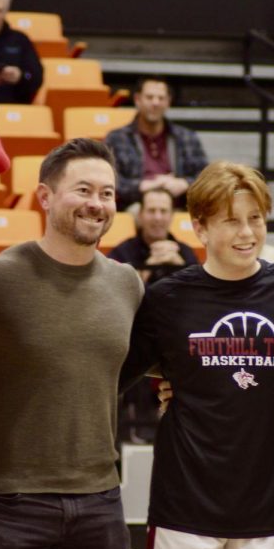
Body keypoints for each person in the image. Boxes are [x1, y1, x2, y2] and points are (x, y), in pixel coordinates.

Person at [0, 137, 144, 549]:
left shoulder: (127, 284)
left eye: (107, 193)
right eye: (83, 190)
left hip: (101, 499)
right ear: (45, 196)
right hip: (11, 502)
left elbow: (132, 365)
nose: (97, 204)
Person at [120, 161, 274, 549]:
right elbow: (114, 374)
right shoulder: (167, 299)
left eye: (255, 219)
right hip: (184, 507)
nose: (247, 233)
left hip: (267, 510)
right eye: (232, 221)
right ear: (200, 228)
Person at [109, 187, 198, 443]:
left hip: (178, 338)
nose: (157, 217)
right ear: (140, 215)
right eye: (152, 211)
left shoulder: (185, 253)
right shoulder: (122, 252)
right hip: (133, 335)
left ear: (172, 215)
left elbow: (200, 302)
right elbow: (110, 300)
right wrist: (146, 273)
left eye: (163, 211)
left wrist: (179, 268)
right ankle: (136, 429)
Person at [104, 76, 208, 213]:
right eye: (149, 97)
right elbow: (110, 180)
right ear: (137, 100)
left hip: (178, 207)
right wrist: (144, 186)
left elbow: (206, 176)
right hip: (136, 207)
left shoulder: (186, 137)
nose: (155, 102)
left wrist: (184, 183)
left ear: (168, 102)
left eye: (161, 98)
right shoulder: (118, 138)